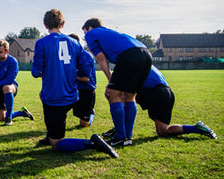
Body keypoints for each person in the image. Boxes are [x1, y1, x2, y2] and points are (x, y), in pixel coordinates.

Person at [32, 9, 118, 158]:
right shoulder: (74, 43)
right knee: (54, 115)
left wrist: (48, 71)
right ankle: (51, 133)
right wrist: (74, 74)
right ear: (63, 24)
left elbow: (35, 71)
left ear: (45, 25)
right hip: (72, 95)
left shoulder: (42, 43)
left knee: (56, 144)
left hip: (54, 98)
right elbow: (87, 63)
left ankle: (92, 143)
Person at [82, 18, 152, 146]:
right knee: (130, 96)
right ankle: (127, 137)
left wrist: (110, 80)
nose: (85, 35)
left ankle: (120, 136)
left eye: (85, 32)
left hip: (129, 55)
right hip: (146, 54)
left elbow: (101, 58)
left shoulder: (91, 33)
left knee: (113, 95)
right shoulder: (109, 33)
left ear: (90, 28)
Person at [102, 66, 217, 140]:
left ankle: (119, 130)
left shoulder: (129, 62)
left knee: (119, 97)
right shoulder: (141, 59)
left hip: (155, 92)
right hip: (166, 93)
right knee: (163, 131)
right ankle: (196, 128)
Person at [0, 40, 34, 126]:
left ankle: (9, 119)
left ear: (6, 51)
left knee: (7, 87)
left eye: (0, 52)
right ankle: (22, 112)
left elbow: (9, 80)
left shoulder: (13, 61)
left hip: (11, 88)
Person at [68, 34, 96, 128]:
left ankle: (91, 115)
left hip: (86, 90)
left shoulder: (86, 56)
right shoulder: (69, 56)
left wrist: (69, 75)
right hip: (74, 89)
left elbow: (85, 78)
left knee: (83, 125)